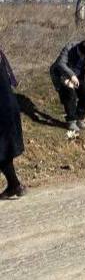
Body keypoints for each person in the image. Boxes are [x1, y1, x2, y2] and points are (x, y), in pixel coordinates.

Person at [49, 40, 85, 133]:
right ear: (79, 51)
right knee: (70, 95)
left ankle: (80, 119)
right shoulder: (68, 49)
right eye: (83, 56)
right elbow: (61, 64)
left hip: (79, 74)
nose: (84, 58)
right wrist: (71, 76)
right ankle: (71, 121)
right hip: (63, 73)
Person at [0, 47, 25, 199]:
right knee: (3, 151)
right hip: (8, 106)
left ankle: (15, 185)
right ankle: (14, 185)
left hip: (3, 110)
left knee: (2, 150)